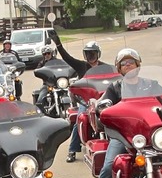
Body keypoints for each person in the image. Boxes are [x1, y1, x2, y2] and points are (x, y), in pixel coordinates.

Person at [87, 48, 162, 178]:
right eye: (124, 64)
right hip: (124, 134)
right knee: (108, 166)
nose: (128, 66)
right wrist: (103, 107)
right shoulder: (115, 88)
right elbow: (104, 105)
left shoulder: (151, 84)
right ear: (119, 68)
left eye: (131, 62)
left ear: (138, 65)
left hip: (149, 132)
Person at [48, 30, 115, 163]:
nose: (90, 56)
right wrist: (59, 44)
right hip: (85, 100)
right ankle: (72, 150)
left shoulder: (107, 67)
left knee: (114, 117)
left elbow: (116, 79)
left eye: (93, 53)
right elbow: (67, 58)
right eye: (88, 53)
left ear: (98, 54)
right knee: (81, 119)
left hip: (103, 99)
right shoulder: (81, 66)